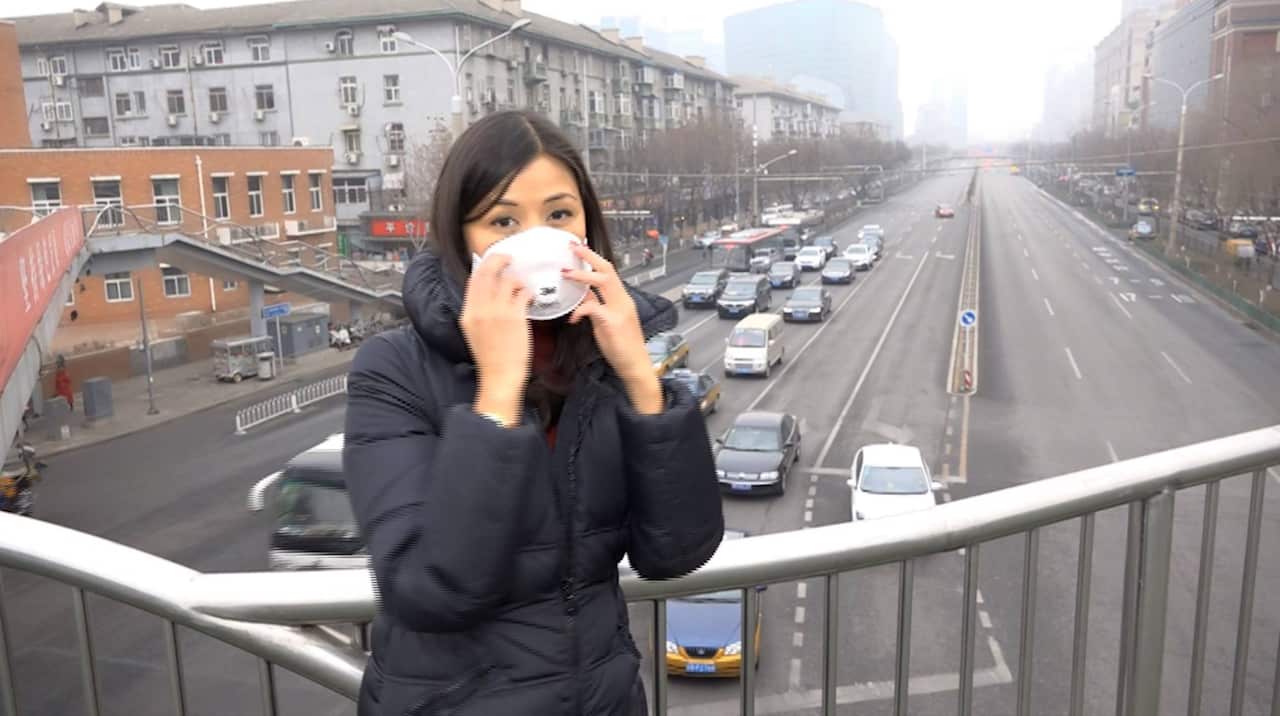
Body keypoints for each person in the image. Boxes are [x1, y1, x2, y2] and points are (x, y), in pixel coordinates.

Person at [343, 110, 723, 716]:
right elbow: (429, 593)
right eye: (502, 221)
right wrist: (497, 389)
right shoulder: (394, 369)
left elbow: (675, 552)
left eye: (559, 215)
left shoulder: (596, 361)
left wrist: (639, 379)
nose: (536, 240)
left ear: (587, 227)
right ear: (457, 237)